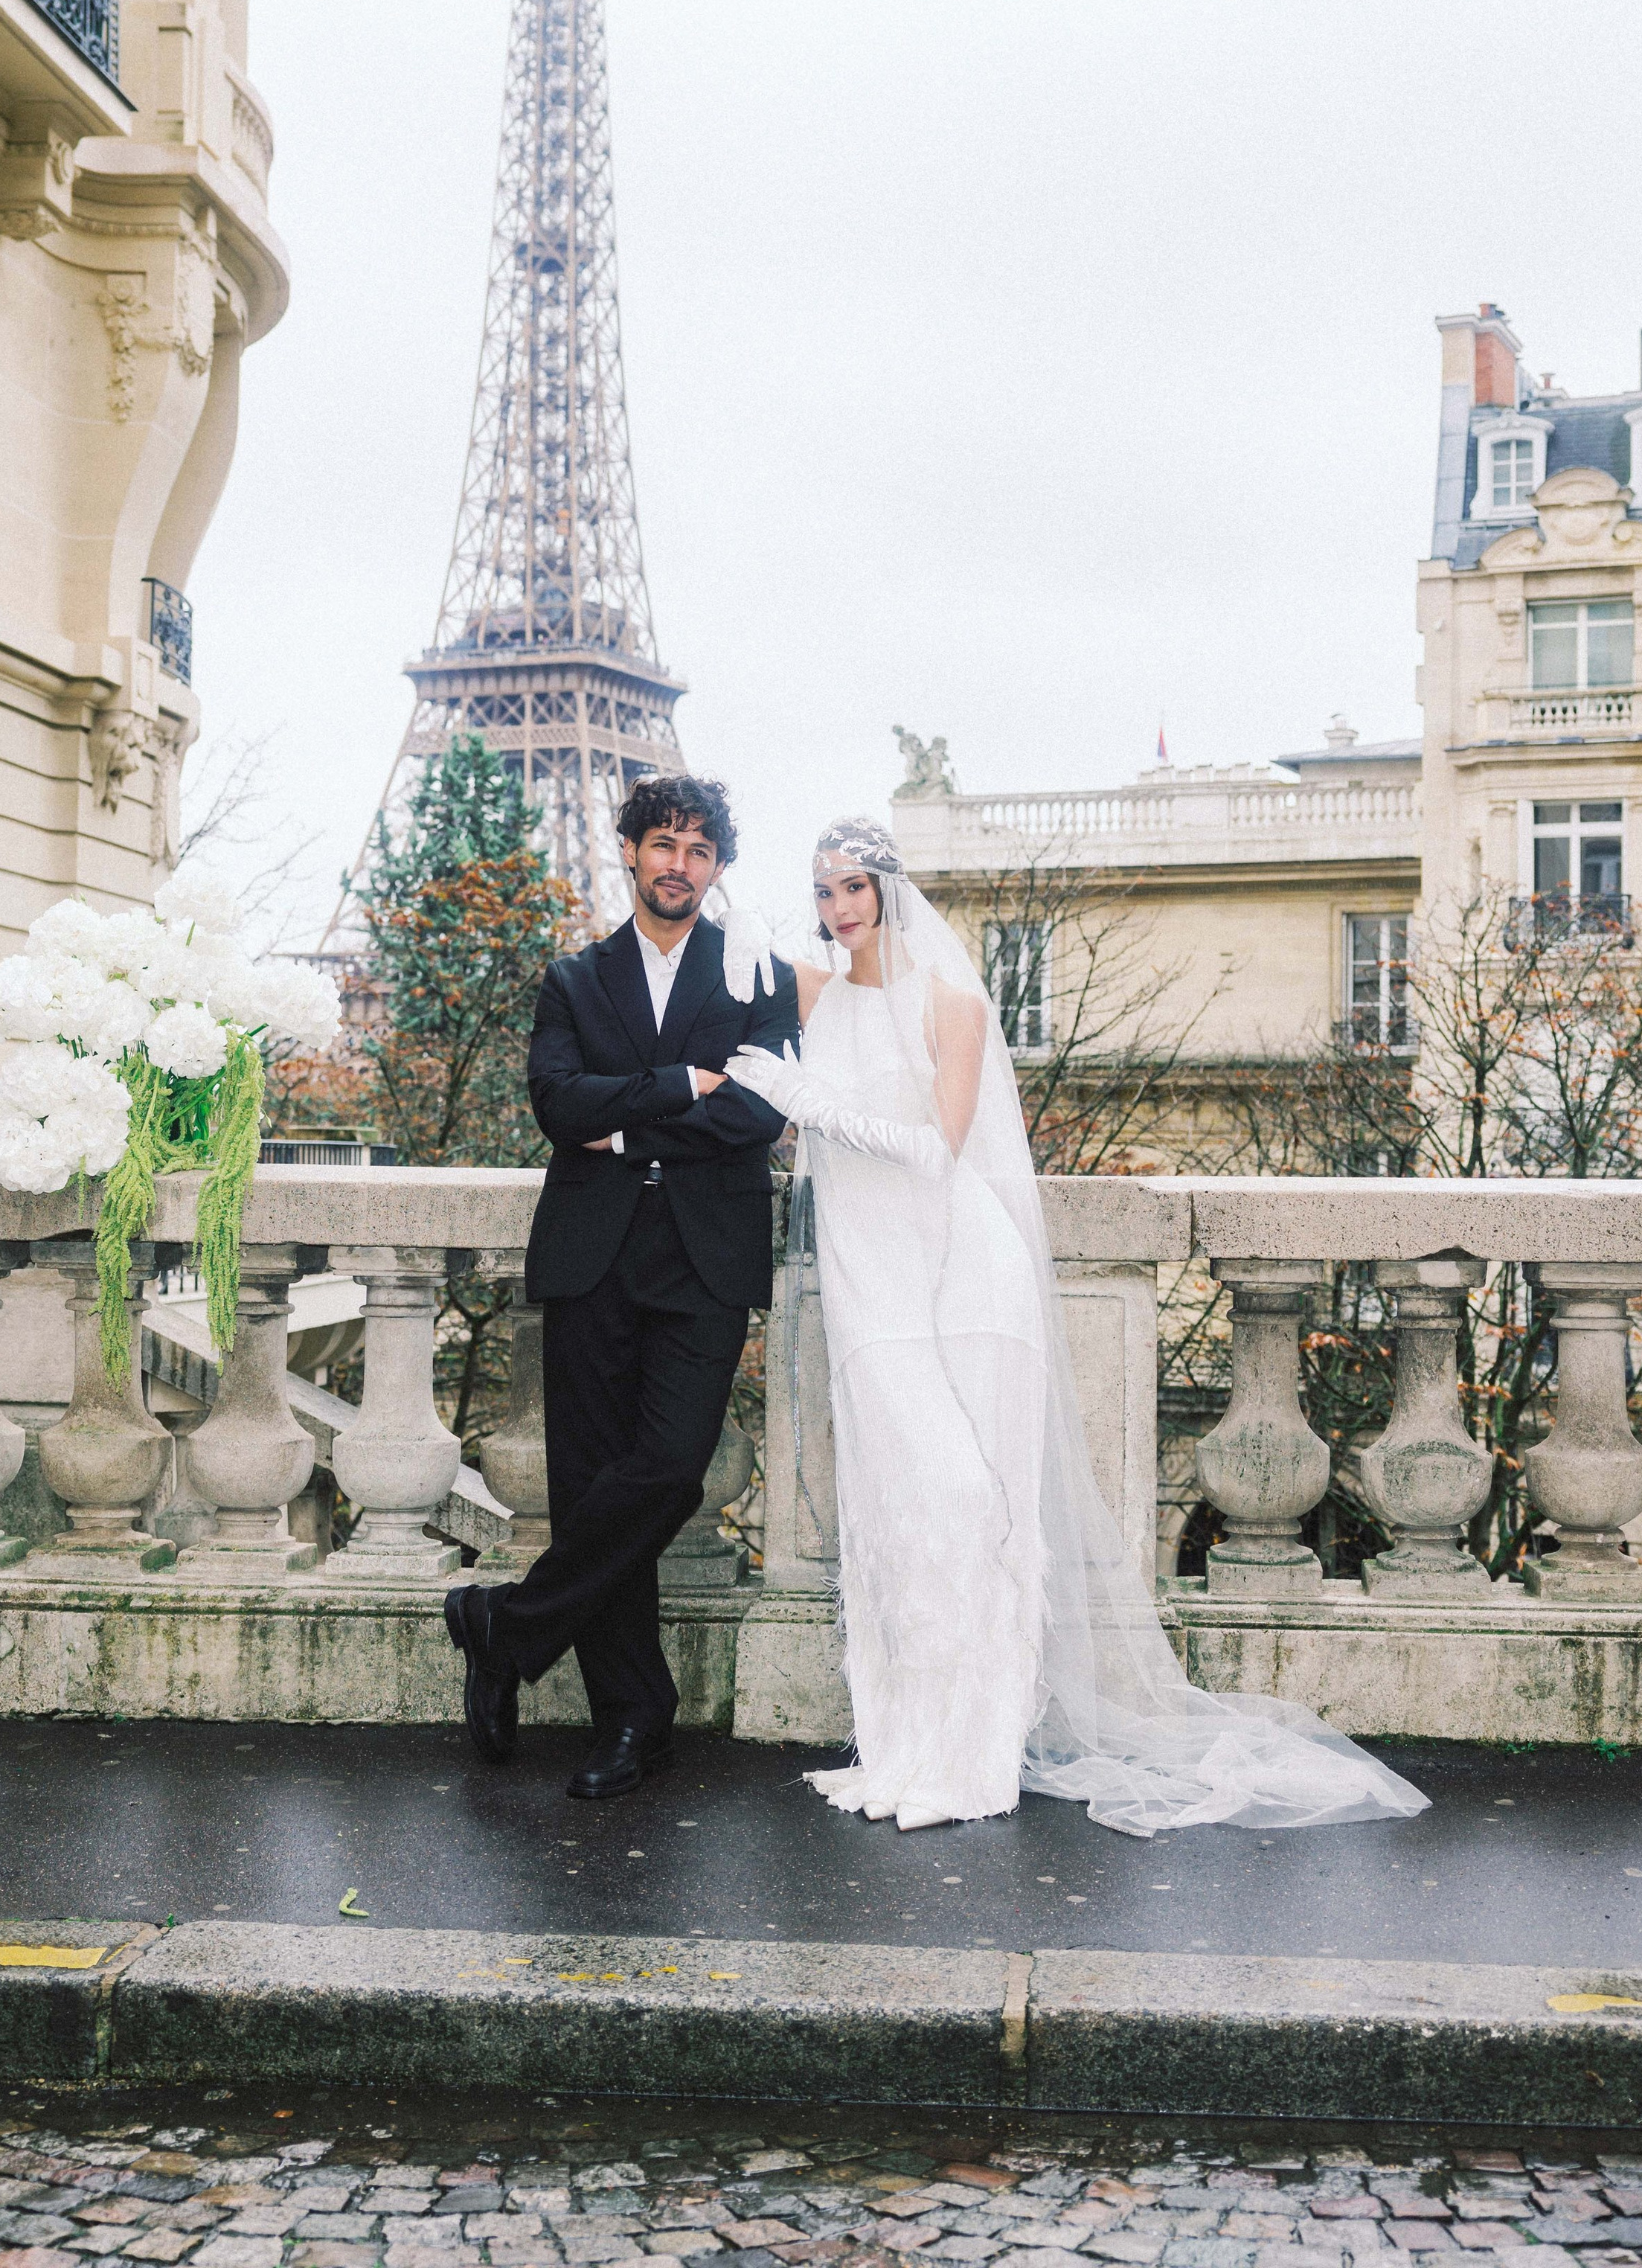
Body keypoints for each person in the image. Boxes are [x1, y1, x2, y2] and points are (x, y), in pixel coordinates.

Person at [719, 814, 1429, 1841]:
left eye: (853, 889)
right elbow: (699, 955)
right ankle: (902, 1746)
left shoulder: (952, 1003)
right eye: (822, 890)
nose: (836, 910)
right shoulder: (816, 994)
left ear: (890, 892)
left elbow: (936, 1148)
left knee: (975, 1506)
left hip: (966, 1277)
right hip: (870, 1281)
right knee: (893, 1517)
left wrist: (803, 1098)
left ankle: (972, 1761)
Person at [446, 774, 798, 1801]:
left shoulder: (755, 979)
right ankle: (631, 1721)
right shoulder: (574, 978)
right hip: (593, 1251)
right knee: (594, 1485)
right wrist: (684, 1087)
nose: (678, 864)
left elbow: (759, 1114)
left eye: (698, 849)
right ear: (632, 854)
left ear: (718, 868)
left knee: (666, 1469)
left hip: (703, 1255)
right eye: (662, 844)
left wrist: (631, 1122)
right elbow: (560, 1106)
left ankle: (504, 1629)